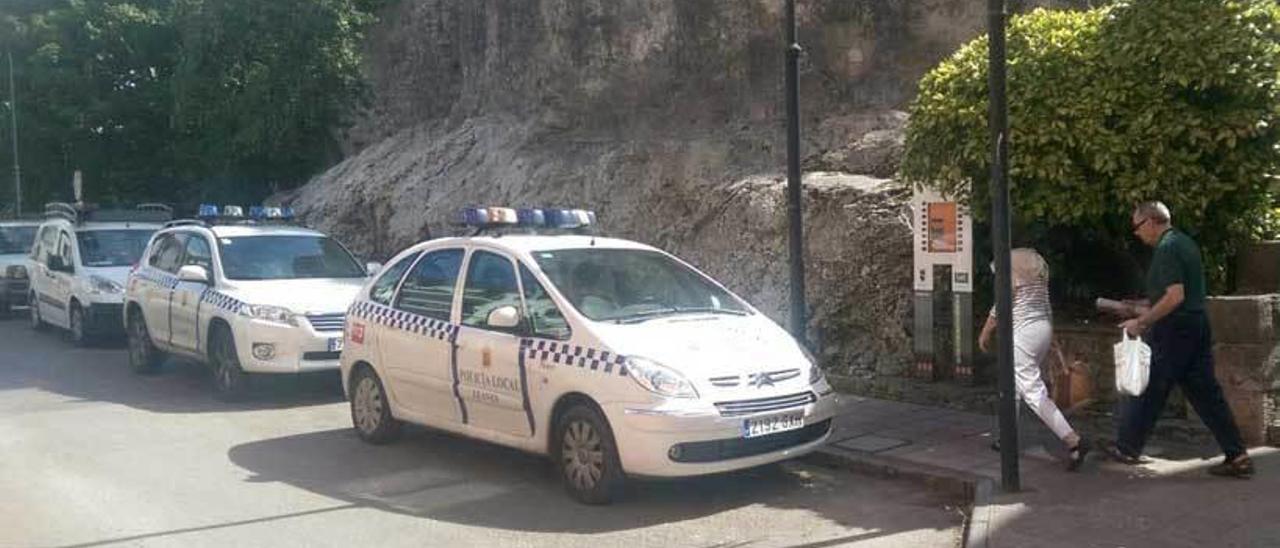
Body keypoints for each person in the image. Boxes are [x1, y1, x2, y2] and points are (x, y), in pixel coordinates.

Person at [1111, 201, 1253, 478]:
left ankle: (1127, 448)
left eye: (1137, 227)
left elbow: (1175, 297)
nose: (1137, 234)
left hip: (1175, 329)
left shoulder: (1167, 248)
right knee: (1206, 393)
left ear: (1152, 221)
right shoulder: (1184, 242)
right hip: (1196, 324)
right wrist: (1141, 304)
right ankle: (1238, 455)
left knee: (1151, 386)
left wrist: (1142, 321)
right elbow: (1174, 294)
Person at [980, 248, 1089, 471]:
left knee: (1032, 391)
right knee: (1013, 388)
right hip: (1042, 328)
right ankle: (1007, 439)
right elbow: (1045, 306)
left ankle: (1073, 440)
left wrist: (985, 331)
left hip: (1024, 333)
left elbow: (1002, 303)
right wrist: (1052, 336)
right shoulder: (1039, 271)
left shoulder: (1010, 271)